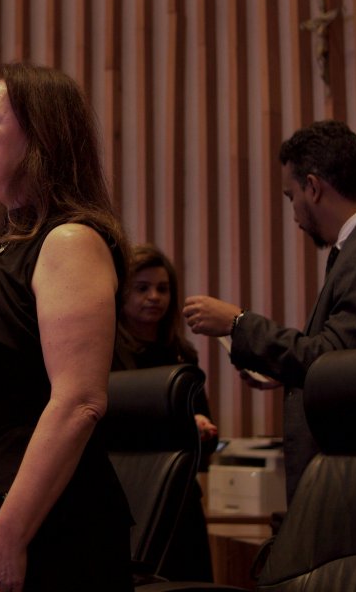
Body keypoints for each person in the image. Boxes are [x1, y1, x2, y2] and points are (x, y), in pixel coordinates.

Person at [0, 64, 133, 591]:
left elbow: (79, 401)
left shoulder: (70, 242)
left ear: (40, 136)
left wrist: (8, 536)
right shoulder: (2, 251)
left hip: (44, 534)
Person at [183, 119, 356, 502]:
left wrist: (237, 323)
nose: (294, 214)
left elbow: (333, 362)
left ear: (313, 186)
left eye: (291, 197)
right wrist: (282, 372)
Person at [114, 245, 216, 581]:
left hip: (181, 498)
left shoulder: (182, 353)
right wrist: (184, 426)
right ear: (121, 294)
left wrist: (201, 430)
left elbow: (208, 445)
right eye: (142, 288)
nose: (154, 297)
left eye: (163, 288)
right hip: (128, 500)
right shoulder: (107, 353)